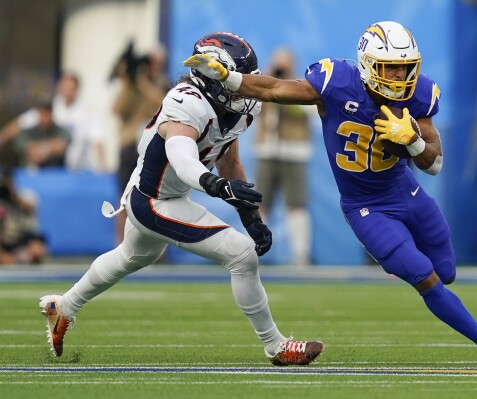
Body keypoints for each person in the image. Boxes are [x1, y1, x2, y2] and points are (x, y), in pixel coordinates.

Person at [184, 21, 477, 369]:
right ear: (369, 65)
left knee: (445, 271)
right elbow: (277, 89)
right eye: (391, 68)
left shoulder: (419, 95)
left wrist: (412, 139)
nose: (400, 77)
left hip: (406, 192)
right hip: (366, 207)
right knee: (424, 276)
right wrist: (230, 78)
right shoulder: (337, 83)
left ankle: (426, 282)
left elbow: (434, 164)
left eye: (405, 68)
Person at [39, 32, 324, 366]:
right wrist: (218, 187)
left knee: (131, 256)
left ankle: (64, 307)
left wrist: (250, 216)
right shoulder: (186, 102)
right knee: (242, 256)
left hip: (157, 193)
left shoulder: (237, 105)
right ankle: (276, 346)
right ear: (210, 75)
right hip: (153, 199)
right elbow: (182, 157)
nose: (243, 85)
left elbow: (228, 158)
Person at [254, 49, 312, 266]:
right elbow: (253, 108)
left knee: (296, 203)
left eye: (284, 65)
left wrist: (286, 85)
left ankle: (300, 256)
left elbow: (307, 111)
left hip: (294, 151)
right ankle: (253, 251)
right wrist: (268, 80)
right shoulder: (264, 84)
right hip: (267, 149)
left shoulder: (302, 86)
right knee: (260, 204)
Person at [112, 43, 169, 243]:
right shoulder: (130, 86)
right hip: (129, 146)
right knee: (124, 200)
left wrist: (143, 82)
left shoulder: (162, 84)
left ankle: (153, 249)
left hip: (151, 147)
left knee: (155, 201)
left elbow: (162, 104)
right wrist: (128, 82)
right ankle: (120, 246)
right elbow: (116, 111)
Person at [0, 72, 108, 172]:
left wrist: (103, 165)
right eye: (63, 87)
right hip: (56, 169)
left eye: (69, 88)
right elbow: (21, 123)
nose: (65, 91)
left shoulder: (87, 110)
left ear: (76, 89)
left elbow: (97, 139)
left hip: (80, 168)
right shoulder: (51, 106)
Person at [14, 101, 70, 168]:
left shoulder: (60, 130)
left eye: (47, 113)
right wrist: (50, 147)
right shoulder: (27, 132)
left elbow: (61, 146)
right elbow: (27, 148)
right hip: (28, 174)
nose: (44, 117)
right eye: (42, 113)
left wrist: (42, 150)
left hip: (55, 173)